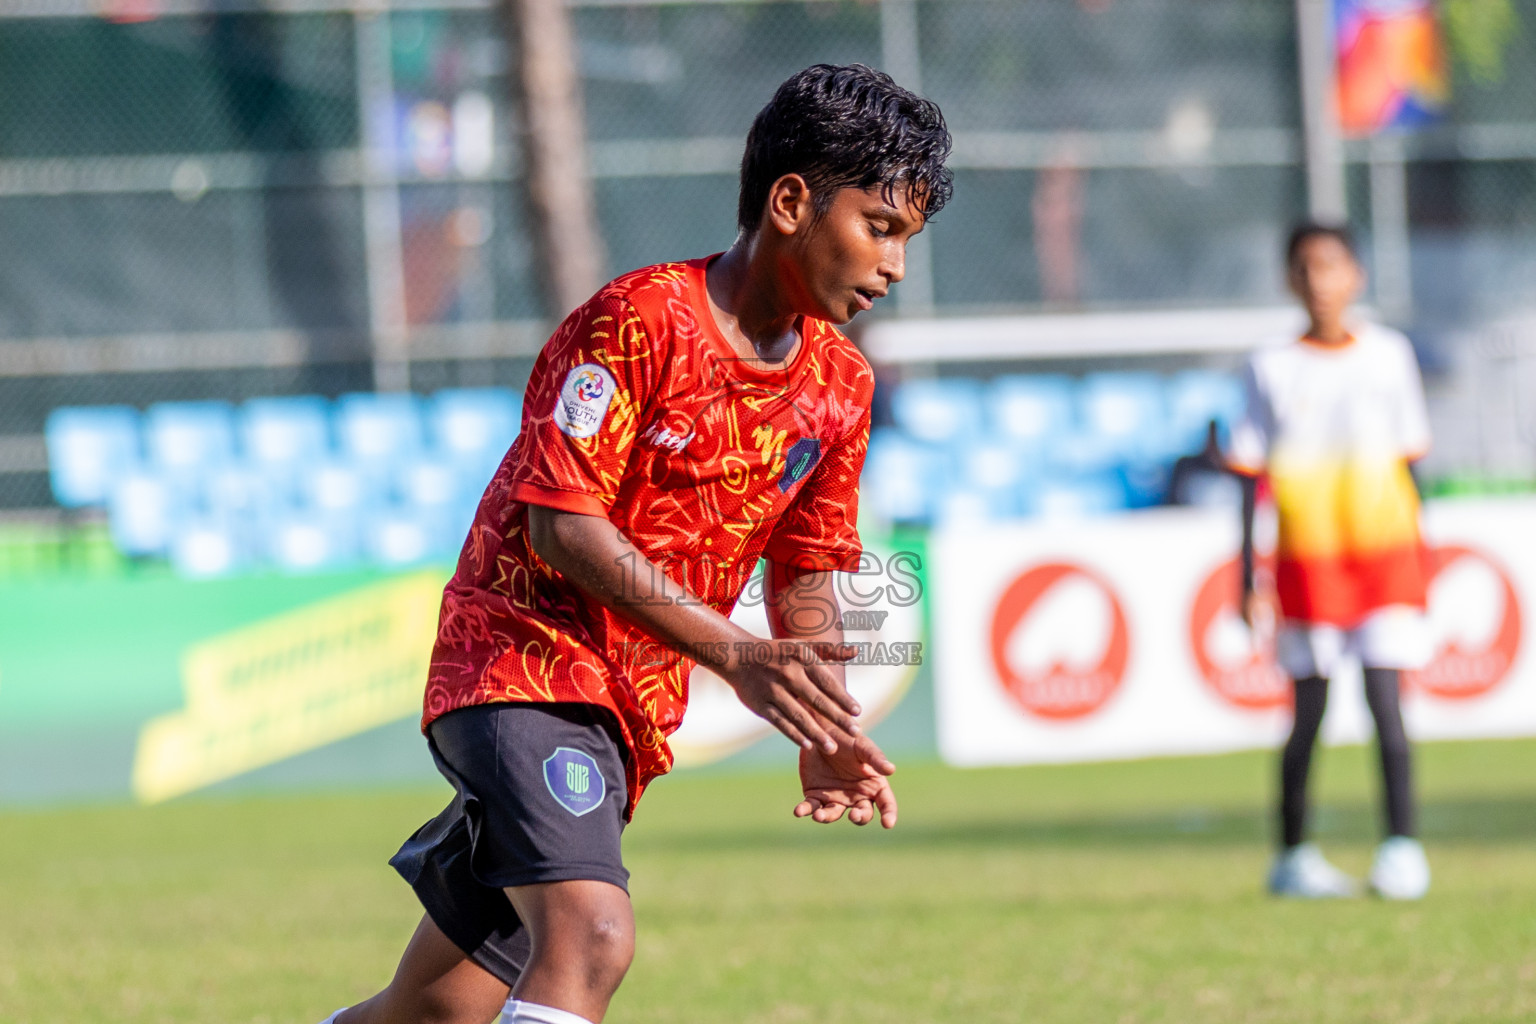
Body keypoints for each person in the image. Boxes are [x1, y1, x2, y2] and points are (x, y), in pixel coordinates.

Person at [318, 64, 953, 1024]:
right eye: (881, 227)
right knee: (591, 939)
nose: (895, 266)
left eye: (908, 238)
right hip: (520, 666)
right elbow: (562, 525)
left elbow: (810, 563)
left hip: (626, 714)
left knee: (437, 1009)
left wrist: (823, 723)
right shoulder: (641, 320)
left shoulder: (841, 387)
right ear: (791, 203)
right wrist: (741, 657)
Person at [1228, 221, 1433, 901]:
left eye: (1333, 266)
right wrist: (1246, 578)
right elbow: (1249, 477)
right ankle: (1293, 857)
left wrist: (1422, 554)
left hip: (1383, 559)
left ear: (1357, 277)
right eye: (1307, 268)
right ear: (1292, 280)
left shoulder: (1391, 356)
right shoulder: (1270, 366)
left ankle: (1402, 849)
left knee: (1386, 705)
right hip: (1307, 563)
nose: (1321, 281)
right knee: (1308, 715)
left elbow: (1411, 462)